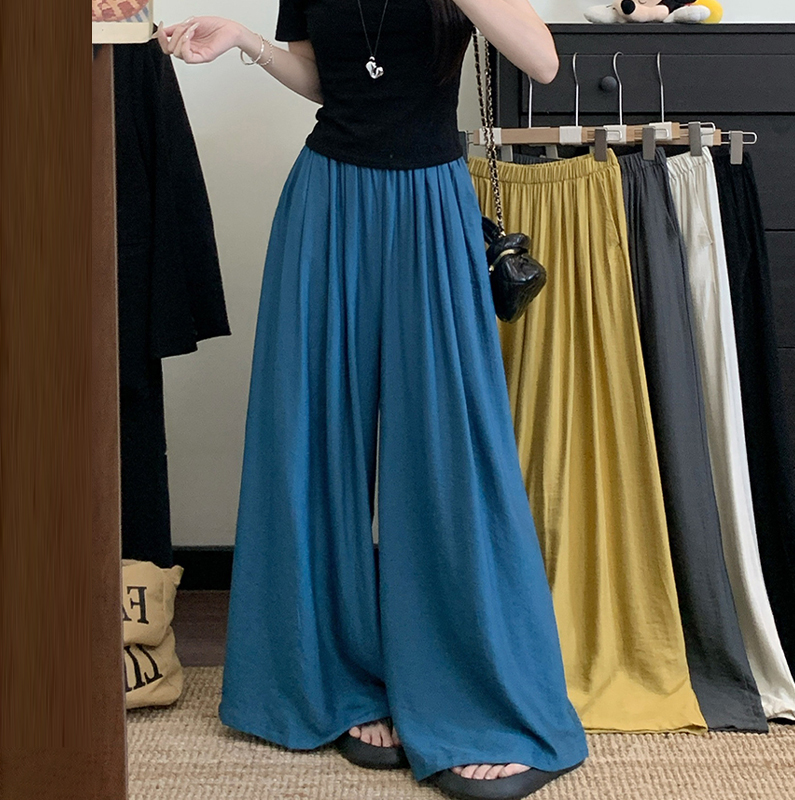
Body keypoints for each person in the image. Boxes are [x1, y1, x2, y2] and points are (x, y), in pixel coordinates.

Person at [157, 3, 588, 798]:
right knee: (313, 438)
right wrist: (247, 42)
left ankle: (483, 700)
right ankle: (345, 679)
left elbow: (541, 59)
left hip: (430, 205)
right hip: (327, 201)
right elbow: (326, 78)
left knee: (452, 449)